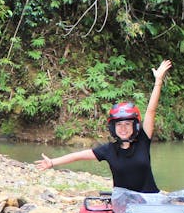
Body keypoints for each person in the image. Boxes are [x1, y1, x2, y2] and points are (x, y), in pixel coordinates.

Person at [34, 60, 172, 193]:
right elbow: (78, 155)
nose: (123, 128)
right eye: (119, 124)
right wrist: (52, 162)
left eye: (127, 124)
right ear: (113, 127)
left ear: (134, 126)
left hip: (150, 198)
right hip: (124, 202)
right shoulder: (109, 150)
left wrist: (158, 81)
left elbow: (151, 111)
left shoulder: (143, 140)